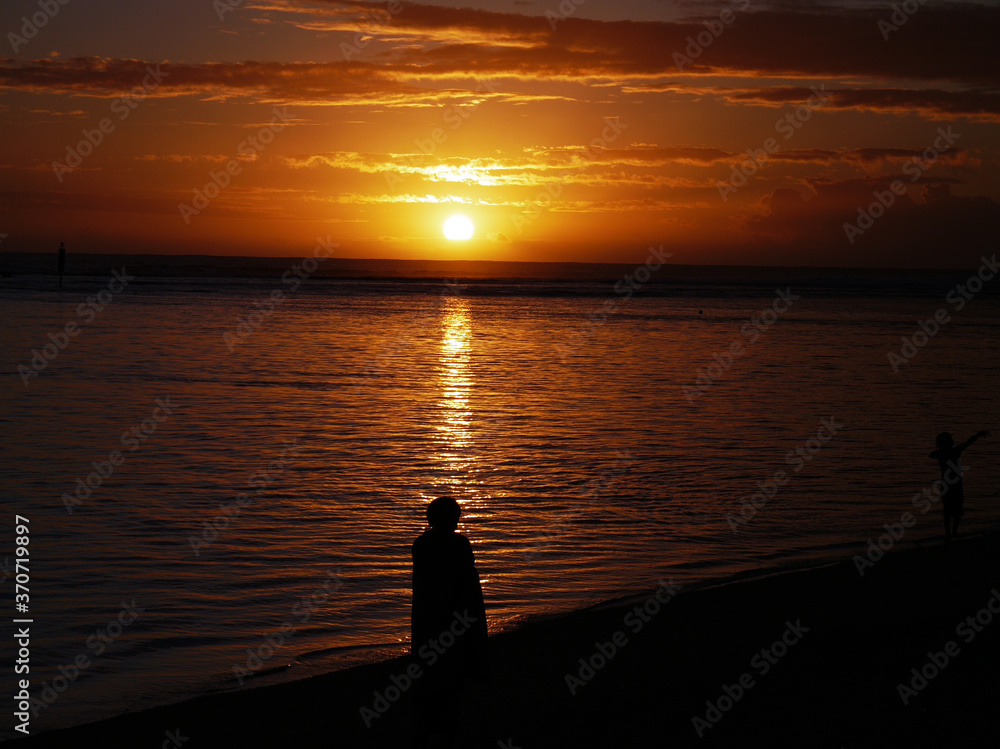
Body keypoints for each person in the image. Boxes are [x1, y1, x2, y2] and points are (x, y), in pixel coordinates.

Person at [410, 496, 488, 748]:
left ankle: (430, 725)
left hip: (428, 615)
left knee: (432, 669)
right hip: (455, 614)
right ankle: (447, 726)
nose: (457, 521)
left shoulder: (421, 544)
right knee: (455, 671)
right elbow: (468, 583)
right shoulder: (458, 544)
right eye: (455, 517)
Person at [929, 430, 990, 540]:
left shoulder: (939, 454)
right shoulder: (955, 451)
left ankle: (948, 533)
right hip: (956, 485)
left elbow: (931, 455)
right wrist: (978, 435)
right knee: (957, 510)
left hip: (945, 485)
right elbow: (968, 442)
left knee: (947, 510)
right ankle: (954, 532)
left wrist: (938, 452)